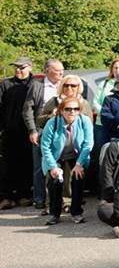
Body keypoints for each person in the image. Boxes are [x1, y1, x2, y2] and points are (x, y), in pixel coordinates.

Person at [40, 97, 94, 225]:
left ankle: (76, 212)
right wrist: (53, 167)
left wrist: (79, 164)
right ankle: (54, 214)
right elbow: (45, 147)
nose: (72, 112)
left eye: (76, 109)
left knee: (78, 178)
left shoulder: (84, 121)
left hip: (77, 156)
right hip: (56, 157)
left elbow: (88, 145)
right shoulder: (52, 123)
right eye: (68, 109)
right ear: (61, 110)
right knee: (55, 181)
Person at [0, 56, 36, 209]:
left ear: (30, 68)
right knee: (7, 165)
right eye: (16, 67)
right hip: (9, 131)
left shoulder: (35, 84)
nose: (18, 70)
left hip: (28, 131)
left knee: (26, 164)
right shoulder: (6, 84)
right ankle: (6, 197)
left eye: (22, 67)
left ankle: (24, 195)